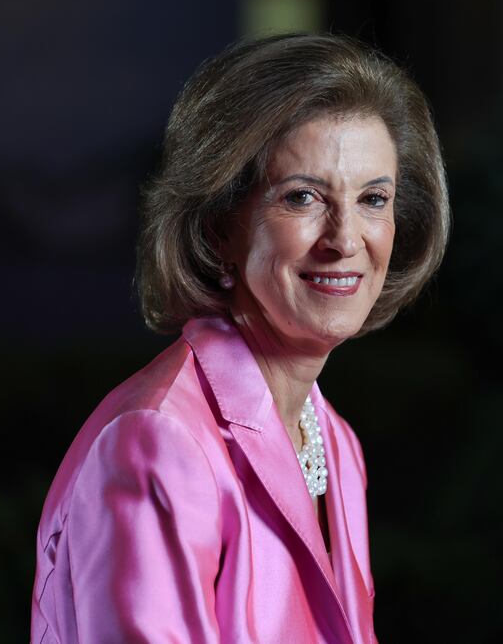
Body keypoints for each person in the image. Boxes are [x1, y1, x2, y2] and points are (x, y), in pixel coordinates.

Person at [30, 33, 449, 643]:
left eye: (373, 199)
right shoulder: (157, 441)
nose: (346, 237)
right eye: (303, 196)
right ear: (219, 227)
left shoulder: (332, 439)